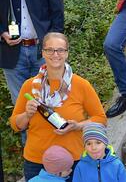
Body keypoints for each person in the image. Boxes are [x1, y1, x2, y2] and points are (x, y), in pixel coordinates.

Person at [9, 32, 107, 181]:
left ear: (67, 53)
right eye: (50, 50)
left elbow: (101, 119)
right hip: (37, 162)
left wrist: (78, 126)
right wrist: (27, 115)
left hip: (73, 163)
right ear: (42, 52)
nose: (55, 54)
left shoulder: (81, 85)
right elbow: (16, 125)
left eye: (60, 50)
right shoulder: (29, 86)